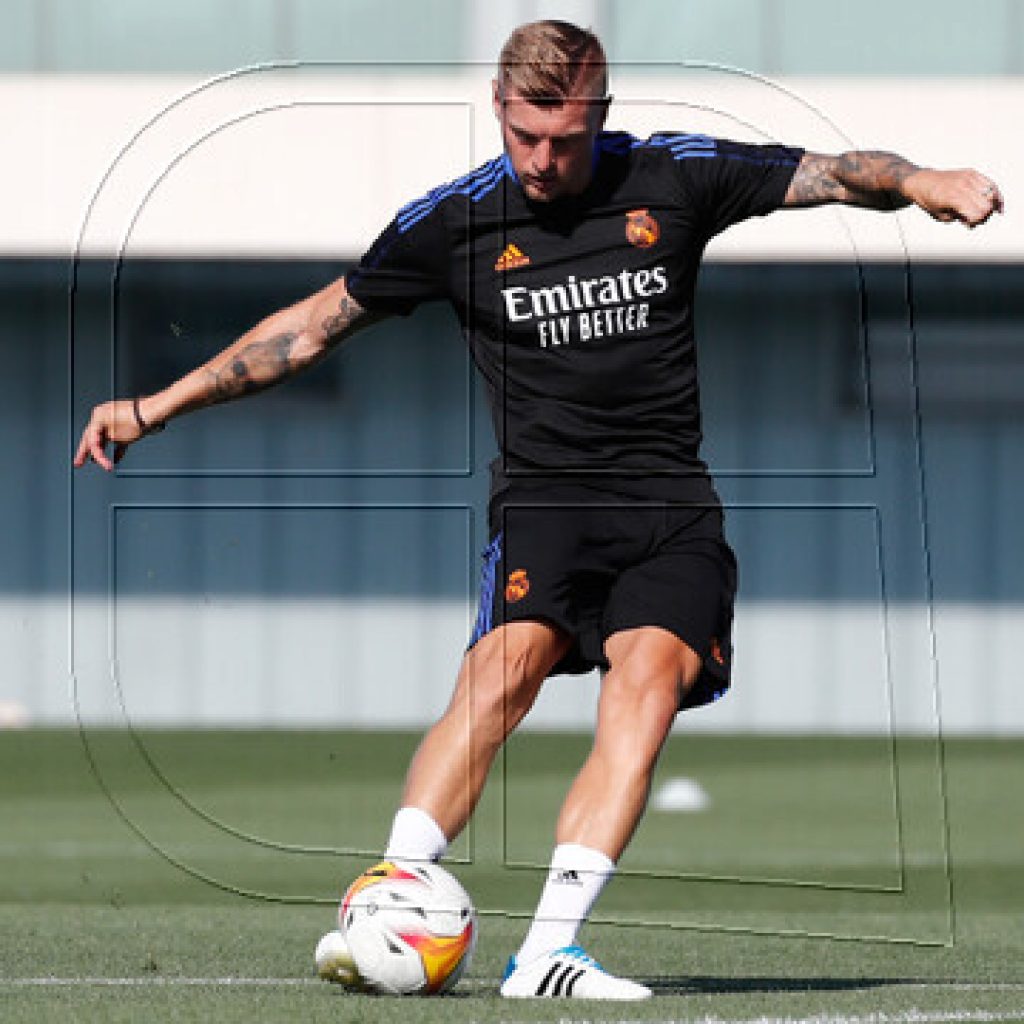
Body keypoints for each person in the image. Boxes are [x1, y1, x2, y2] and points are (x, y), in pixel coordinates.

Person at [75, 20, 1003, 1001]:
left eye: (563, 138)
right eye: (524, 135)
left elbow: (835, 170)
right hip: (544, 501)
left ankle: (547, 952)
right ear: (498, 113)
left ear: (599, 114)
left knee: (642, 690)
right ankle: (389, 893)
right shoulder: (457, 221)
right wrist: (155, 406)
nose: (542, 159)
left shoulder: (673, 176)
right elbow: (310, 330)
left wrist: (922, 181)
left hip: (667, 504)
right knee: (503, 667)